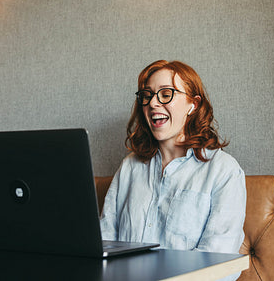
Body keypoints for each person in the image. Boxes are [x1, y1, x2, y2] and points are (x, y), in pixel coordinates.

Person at [100, 60, 246, 264]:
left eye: (166, 94)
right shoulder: (129, 167)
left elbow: (219, 261)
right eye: (147, 95)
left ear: (193, 105)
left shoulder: (224, 171)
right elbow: (105, 241)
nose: (152, 103)